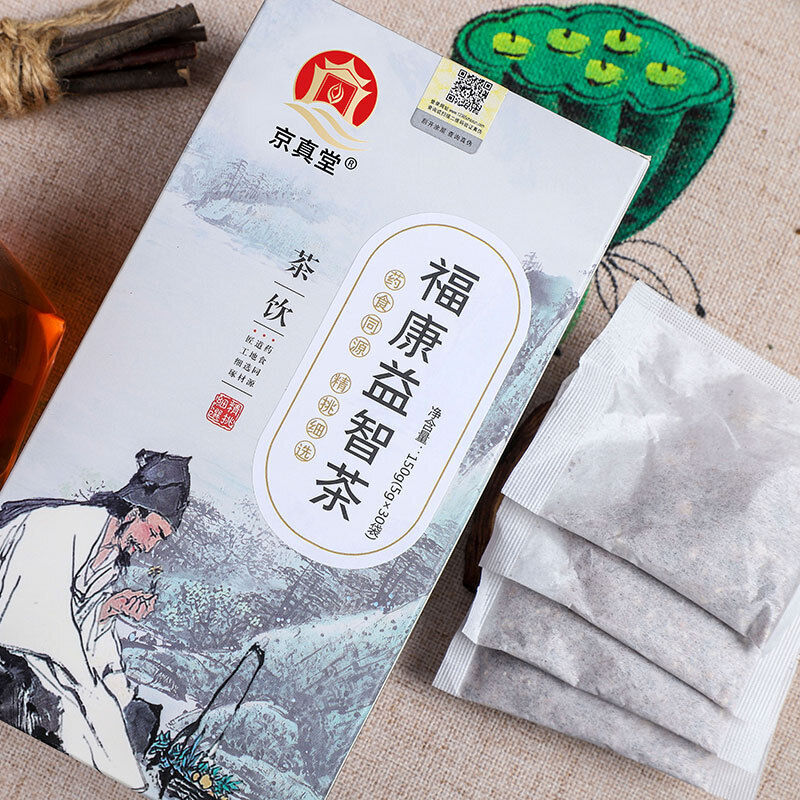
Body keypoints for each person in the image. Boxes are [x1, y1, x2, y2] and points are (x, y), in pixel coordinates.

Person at [0, 449, 191, 790]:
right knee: (79, 709)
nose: (149, 547)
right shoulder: (62, 526)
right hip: (16, 643)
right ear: (134, 511)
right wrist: (87, 680)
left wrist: (110, 608)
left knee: (102, 705)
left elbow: (79, 623)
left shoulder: (109, 560)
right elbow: (30, 615)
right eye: (153, 532)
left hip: (42, 649)